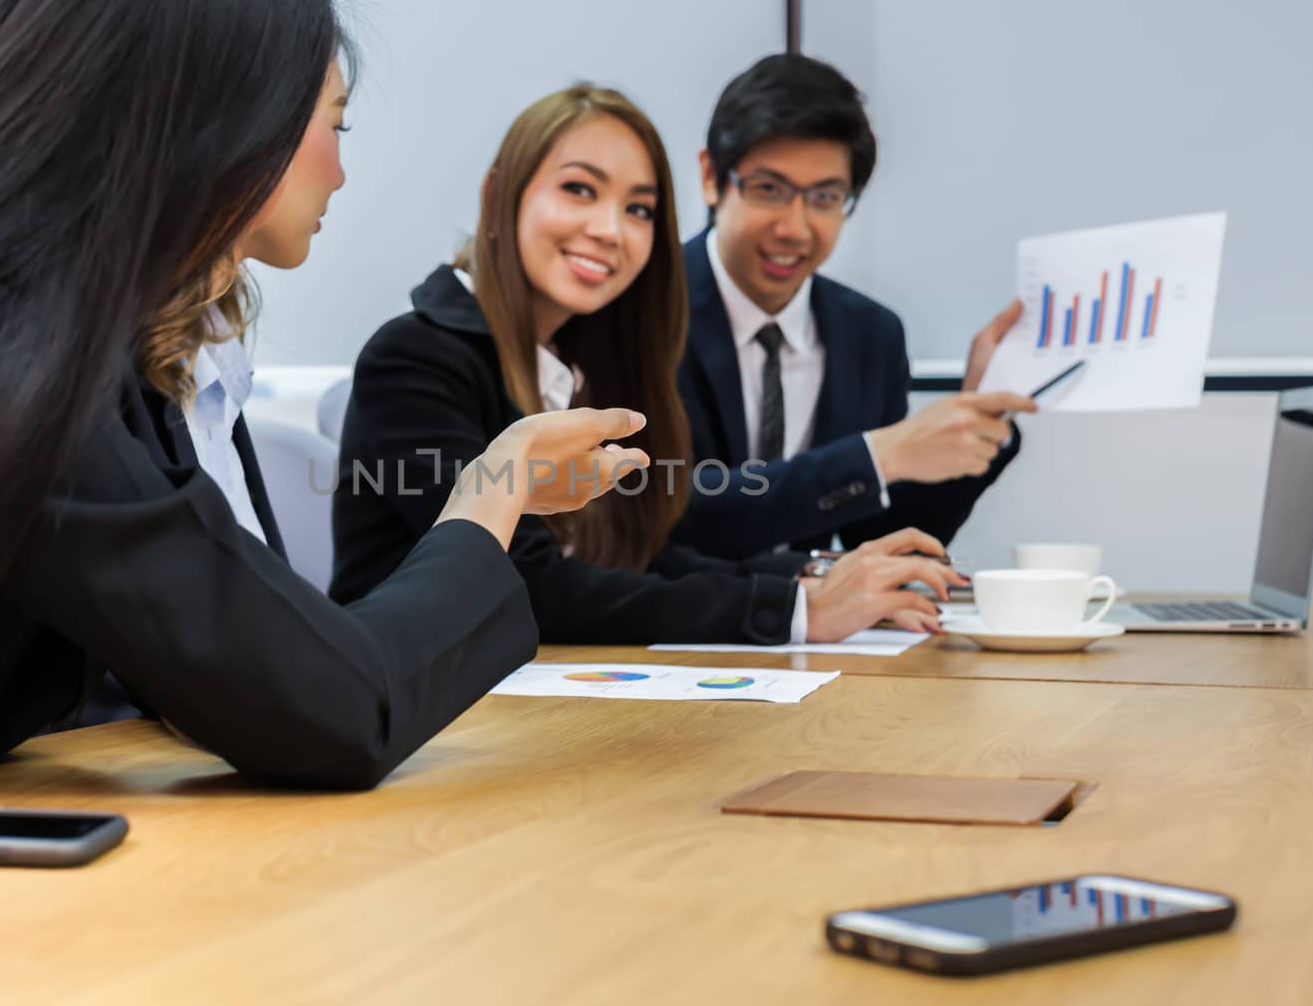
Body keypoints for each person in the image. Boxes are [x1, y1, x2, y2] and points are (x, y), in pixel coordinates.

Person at [0, 0, 649, 793]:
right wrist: (497, 489)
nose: (338, 172)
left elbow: (253, 657)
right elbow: (327, 702)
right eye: (334, 122)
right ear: (214, 118)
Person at [330, 84, 961, 647]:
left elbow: (635, 558)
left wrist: (815, 578)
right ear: (500, 194)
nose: (610, 229)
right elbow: (523, 584)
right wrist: (795, 610)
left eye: (639, 209)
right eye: (579, 190)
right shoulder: (416, 358)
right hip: (417, 721)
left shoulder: (585, 364)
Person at [674, 54, 1037, 562]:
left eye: (825, 197)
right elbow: (669, 510)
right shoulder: (643, 312)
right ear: (712, 177)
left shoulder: (869, 333)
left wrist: (977, 416)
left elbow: (882, 535)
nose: (795, 228)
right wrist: (875, 458)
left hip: (810, 633)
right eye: (769, 190)